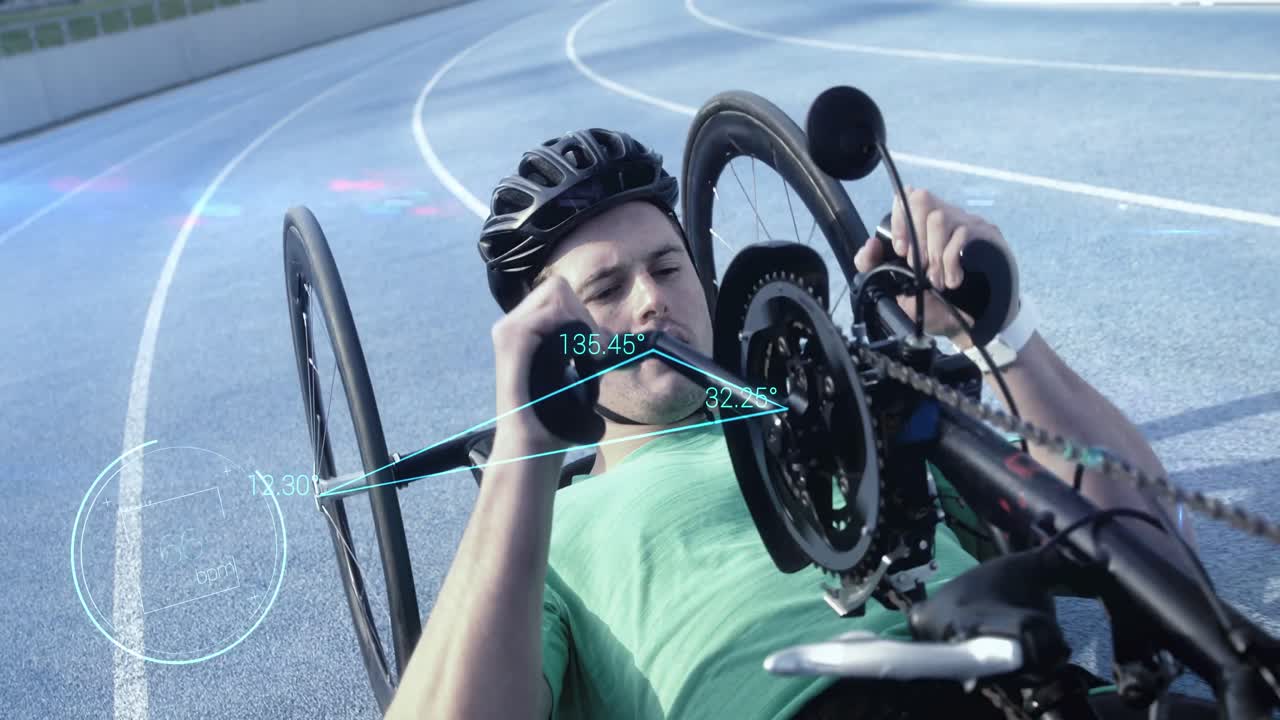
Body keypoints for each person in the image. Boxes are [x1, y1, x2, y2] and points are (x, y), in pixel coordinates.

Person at [385, 129, 1209, 719]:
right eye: (605, 292)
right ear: (554, 338)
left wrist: (998, 332)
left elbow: (1152, 549)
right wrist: (522, 451)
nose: (651, 299)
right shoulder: (547, 533)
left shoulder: (841, 413)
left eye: (669, 268)